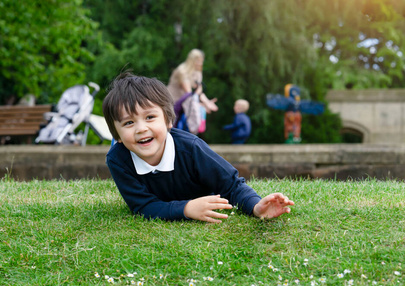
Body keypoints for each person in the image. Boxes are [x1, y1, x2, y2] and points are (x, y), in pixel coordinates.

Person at [103, 72, 294, 223]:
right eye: (128, 123)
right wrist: (186, 209)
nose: (141, 129)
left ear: (168, 120)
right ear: (116, 135)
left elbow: (231, 185)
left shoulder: (191, 148)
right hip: (188, 204)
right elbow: (143, 206)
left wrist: (255, 206)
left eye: (150, 117)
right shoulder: (118, 159)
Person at [167, 49, 218, 114]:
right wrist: (202, 104)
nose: (200, 64)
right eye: (198, 61)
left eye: (201, 61)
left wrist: (207, 102)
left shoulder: (197, 73)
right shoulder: (182, 71)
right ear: (191, 60)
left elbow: (199, 91)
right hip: (171, 102)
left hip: (181, 103)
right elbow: (189, 93)